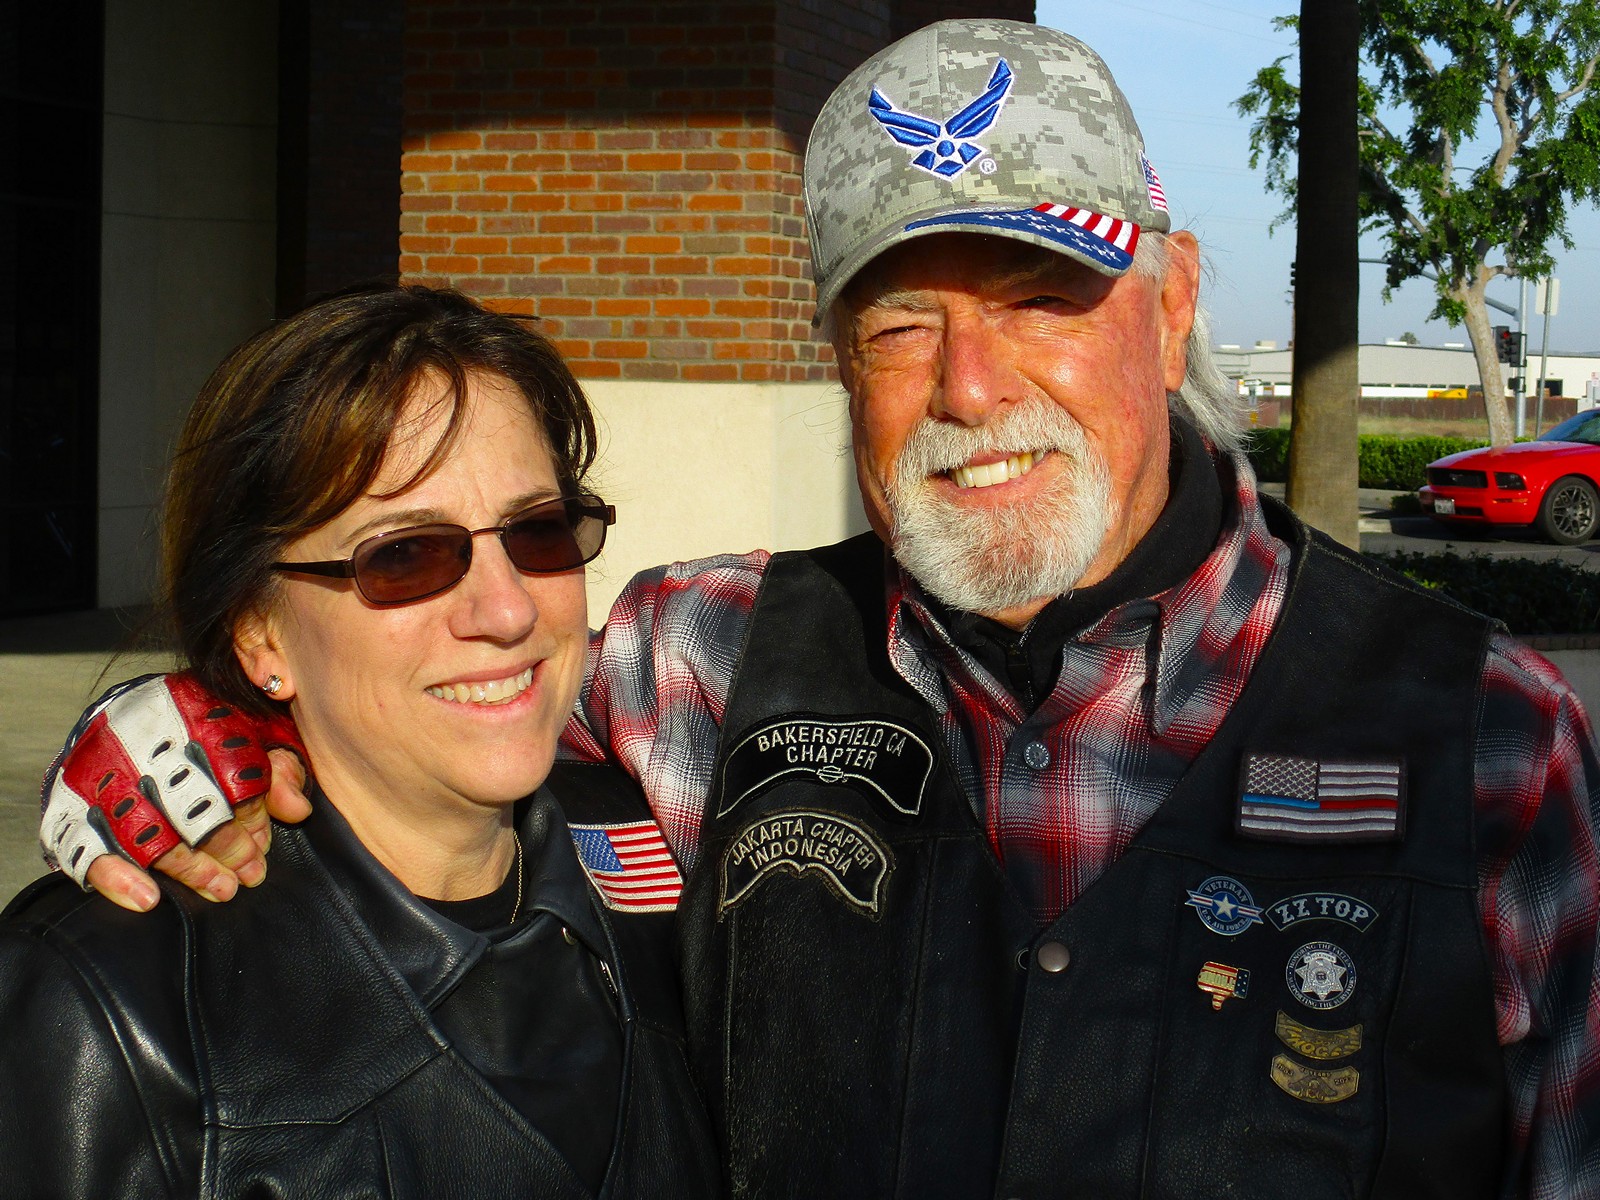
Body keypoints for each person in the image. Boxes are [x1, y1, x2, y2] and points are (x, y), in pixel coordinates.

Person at [37, 19, 1600, 1199]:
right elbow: (414, 728)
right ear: (841, 361)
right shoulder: (692, 661)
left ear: (1175, 297)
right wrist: (189, 745)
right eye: (900, 323)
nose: (970, 386)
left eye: (1039, 299)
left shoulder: (1488, 743)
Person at [5, 284, 721, 1197]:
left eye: (538, 531)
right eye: (405, 555)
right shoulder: (109, 1002)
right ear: (259, 632)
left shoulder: (670, 853)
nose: (507, 610)